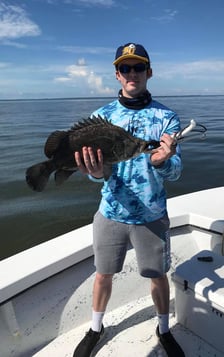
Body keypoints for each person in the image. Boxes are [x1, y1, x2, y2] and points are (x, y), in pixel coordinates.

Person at [72, 43, 185, 357]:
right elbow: (99, 173)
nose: (132, 73)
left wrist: (164, 161)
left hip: (152, 214)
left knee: (158, 276)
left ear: (149, 72)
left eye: (138, 67)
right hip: (110, 211)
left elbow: (176, 172)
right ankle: (96, 328)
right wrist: (95, 171)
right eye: (125, 68)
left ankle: (163, 329)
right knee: (103, 274)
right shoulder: (101, 116)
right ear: (117, 75)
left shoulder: (167, 117)